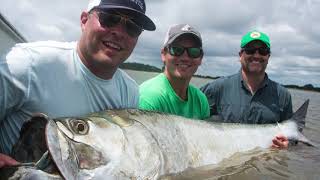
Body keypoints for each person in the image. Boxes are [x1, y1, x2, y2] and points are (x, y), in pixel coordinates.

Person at [0, 0, 156, 168]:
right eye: (109, 18)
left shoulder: (130, 91)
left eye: (132, 27)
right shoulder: (28, 64)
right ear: (83, 21)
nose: (119, 32)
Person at [201, 30, 292, 149]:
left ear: (268, 56)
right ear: (240, 55)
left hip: (264, 165)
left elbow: (292, 134)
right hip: (228, 164)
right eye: (250, 50)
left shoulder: (283, 95)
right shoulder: (217, 88)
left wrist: (288, 144)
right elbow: (189, 117)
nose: (257, 55)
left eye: (263, 51)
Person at [139, 24, 210, 120]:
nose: (185, 58)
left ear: (201, 58)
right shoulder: (149, 99)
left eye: (194, 51)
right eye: (177, 50)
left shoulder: (201, 99)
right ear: (163, 54)